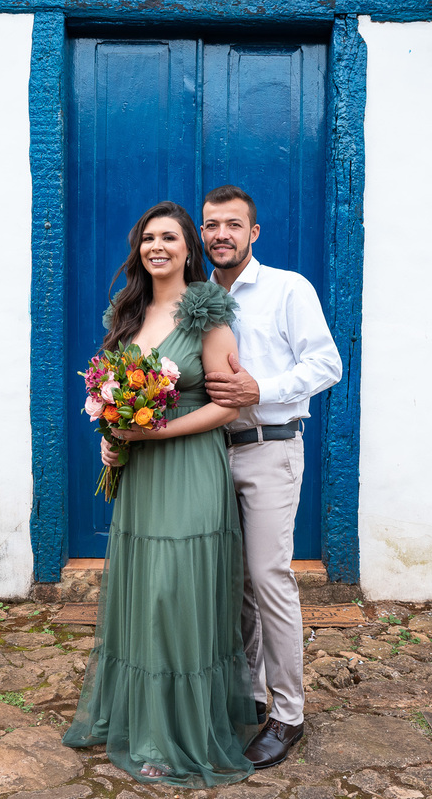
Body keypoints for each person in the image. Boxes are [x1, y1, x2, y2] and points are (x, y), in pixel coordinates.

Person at [62, 201, 257, 787]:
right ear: (138, 248)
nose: (158, 247)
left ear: (187, 248)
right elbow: (114, 397)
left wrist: (156, 430)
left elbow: (230, 403)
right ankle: (140, 720)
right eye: (149, 237)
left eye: (169, 237)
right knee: (144, 592)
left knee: (177, 591)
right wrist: (111, 437)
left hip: (190, 466)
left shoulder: (207, 311)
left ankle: (179, 733)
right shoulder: (129, 310)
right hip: (140, 476)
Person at [201, 185, 342, 769]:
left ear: (253, 233)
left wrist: (263, 388)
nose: (220, 234)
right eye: (211, 225)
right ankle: (253, 695)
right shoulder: (199, 298)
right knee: (235, 583)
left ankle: (289, 715)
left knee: (269, 577)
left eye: (233, 224)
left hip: (270, 448)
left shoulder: (287, 288)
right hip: (210, 454)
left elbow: (327, 364)